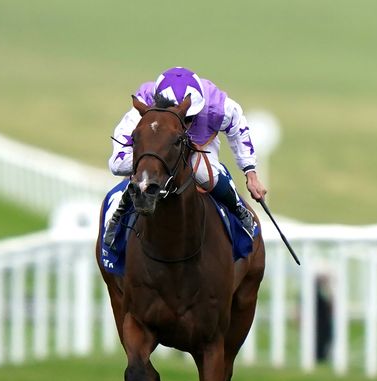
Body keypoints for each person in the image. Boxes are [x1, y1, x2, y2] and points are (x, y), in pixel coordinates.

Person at [103, 66, 267, 248]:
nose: (184, 123)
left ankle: (238, 208)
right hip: (159, 142)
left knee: (204, 173)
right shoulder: (145, 101)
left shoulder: (219, 106)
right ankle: (118, 216)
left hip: (199, 142)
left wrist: (250, 174)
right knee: (123, 167)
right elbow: (119, 155)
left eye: (189, 118)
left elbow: (238, 129)